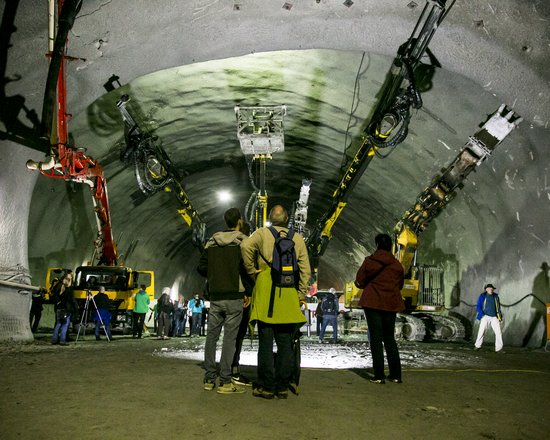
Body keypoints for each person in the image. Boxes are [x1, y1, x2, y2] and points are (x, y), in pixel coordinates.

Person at [241, 205, 311, 399]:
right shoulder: (297, 239)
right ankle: (281, 386)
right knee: (285, 343)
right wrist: (301, 293)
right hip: (288, 292)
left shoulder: (262, 233)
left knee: (265, 341)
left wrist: (252, 270)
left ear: (270, 218)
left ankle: (266, 386)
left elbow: (245, 246)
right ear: (287, 219)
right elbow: (306, 270)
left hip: (265, 290)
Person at [197, 207, 248, 394]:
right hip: (234, 295)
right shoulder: (243, 242)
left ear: (225, 221)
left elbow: (201, 267)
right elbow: (247, 268)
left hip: (216, 296)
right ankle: (225, 380)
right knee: (230, 339)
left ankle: (209, 378)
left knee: (211, 337)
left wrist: (215, 274)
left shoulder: (212, 242)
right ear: (239, 221)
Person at [354, 233, 405, 384]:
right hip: (391, 304)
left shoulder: (370, 262)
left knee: (376, 339)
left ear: (377, 245)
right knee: (389, 338)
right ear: (391, 246)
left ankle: (379, 376)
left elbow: (359, 280)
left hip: (373, 303)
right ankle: (396, 375)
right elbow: (400, 285)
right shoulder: (397, 265)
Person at [231, 221, 254, 387]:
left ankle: (218, 371)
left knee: (228, 335)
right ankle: (234, 368)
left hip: (225, 295)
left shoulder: (220, 245)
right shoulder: (247, 248)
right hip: (243, 297)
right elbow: (248, 272)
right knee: (238, 335)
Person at [474, 283, 504, 352]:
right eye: (489, 288)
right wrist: (482, 314)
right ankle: (477, 346)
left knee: (498, 332)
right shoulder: (482, 296)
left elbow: (498, 307)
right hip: (485, 316)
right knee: (482, 331)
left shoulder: (496, 296)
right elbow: (478, 306)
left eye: (492, 288)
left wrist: (499, 317)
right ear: (486, 289)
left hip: (494, 317)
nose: (491, 289)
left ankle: (499, 348)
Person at [51, 276, 78, 346]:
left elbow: (54, 297)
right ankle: (62, 340)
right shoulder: (69, 291)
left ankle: (54, 339)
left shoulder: (58, 289)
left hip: (59, 309)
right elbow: (70, 301)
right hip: (66, 310)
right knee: (65, 325)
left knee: (58, 324)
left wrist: (58, 303)